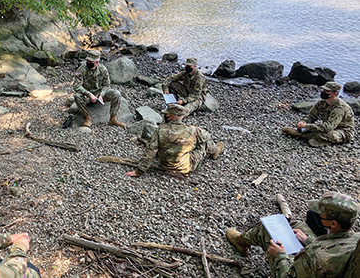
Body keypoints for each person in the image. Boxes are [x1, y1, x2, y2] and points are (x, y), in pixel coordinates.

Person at [226, 192, 360, 278]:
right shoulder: (355, 238)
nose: (316, 215)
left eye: (321, 214)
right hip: (325, 264)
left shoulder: (316, 257)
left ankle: (240, 242)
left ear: (333, 224)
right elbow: (332, 247)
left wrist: (279, 255)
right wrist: (308, 241)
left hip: (314, 266)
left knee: (267, 230)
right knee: (296, 225)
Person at [125, 104, 224, 177]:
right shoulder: (193, 130)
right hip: (186, 167)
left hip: (165, 165)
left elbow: (150, 151)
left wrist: (139, 171)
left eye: (166, 114)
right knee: (204, 143)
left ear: (171, 116)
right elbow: (206, 137)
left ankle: (214, 151)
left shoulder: (160, 130)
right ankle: (215, 151)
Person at [282, 81, 355, 147]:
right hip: (329, 128)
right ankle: (306, 135)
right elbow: (311, 116)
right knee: (312, 130)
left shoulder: (339, 108)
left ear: (335, 94)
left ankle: (301, 135)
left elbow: (328, 127)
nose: (323, 92)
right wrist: (302, 123)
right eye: (323, 90)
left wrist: (307, 126)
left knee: (327, 134)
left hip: (343, 132)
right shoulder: (322, 103)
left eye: (327, 91)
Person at [73, 50, 126, 128]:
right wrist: (89, 94)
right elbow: (76, 86)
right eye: (87, 60)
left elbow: (107, 84)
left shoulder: (102, 69)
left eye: (90, 61)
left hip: (99, 94)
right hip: (87, 95)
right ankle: (87, 119)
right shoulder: (81, 69)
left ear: (96, 62)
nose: (88, 62)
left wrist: (102, 94)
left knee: (116, 94)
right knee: (77, 96)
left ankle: (113, 119)